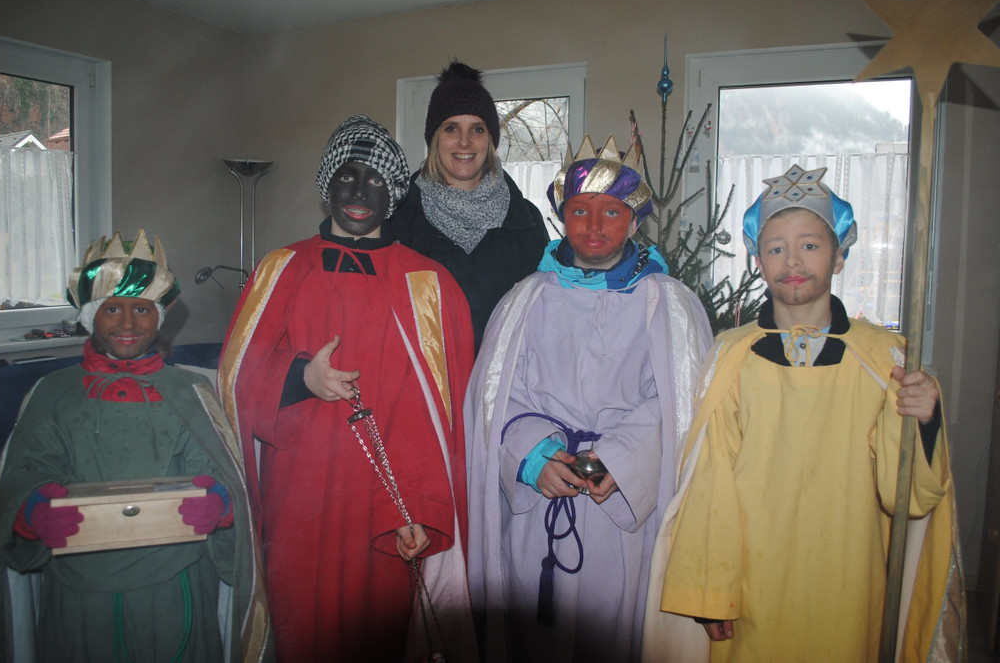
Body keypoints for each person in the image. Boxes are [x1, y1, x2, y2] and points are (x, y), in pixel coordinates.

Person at [650, 165, 965, 662]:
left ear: (839, 256)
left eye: (810, 245)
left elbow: (906, 495)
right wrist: (712, 588)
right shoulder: (732, 355)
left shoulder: (884, 360)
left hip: (848, 579)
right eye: (776, 248)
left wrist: (922, 420)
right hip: (752, 578)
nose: (792, 260)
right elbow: (711, 477)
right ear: (758, 261)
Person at [218, 115, 477, 662]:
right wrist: (300, 376)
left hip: (390, 506)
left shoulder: (431, 286)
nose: (360, 193)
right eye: (347, 176)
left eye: (376, 180)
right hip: (298, 501)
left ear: (395, 193)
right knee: (300, 629)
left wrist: (420, 509)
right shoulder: (280, 269)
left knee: (379, 634)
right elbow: (236, 379)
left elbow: (442, 420)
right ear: (326, 185)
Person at [465, 134, 712, 662]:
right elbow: (495, 398)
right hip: (542, 499)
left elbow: (680, 405)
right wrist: (533, 456)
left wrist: (616, 460)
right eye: (579, 210)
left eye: (611, 211)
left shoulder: (668, 304)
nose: (594, 225)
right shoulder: (525, 300)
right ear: (562, 218)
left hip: (620, 508)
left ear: (634, 221)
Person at [0, 230, 272, 662]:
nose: (128, 324)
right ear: (90, 315)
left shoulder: (191, 391)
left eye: (142, 309)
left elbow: (218, 471)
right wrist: (30, 509)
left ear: (159, 316)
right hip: (79, 589)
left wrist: (221, 501)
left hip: (176, 582)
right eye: (112, 308)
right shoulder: (52, 393)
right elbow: (27, 470)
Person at [383, 60, 549, 350]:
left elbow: (544, 315)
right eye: (451, 128)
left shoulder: (525, 222)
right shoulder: (398, 218)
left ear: (490, 139)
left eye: (477, 129)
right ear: (435, 138)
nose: (464, 142)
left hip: (504, 375)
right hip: (421, 376)